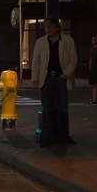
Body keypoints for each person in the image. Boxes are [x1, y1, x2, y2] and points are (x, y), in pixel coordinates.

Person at [31, 17, 77, 146]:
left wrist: (65, 74)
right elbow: (36, 62)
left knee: (62, 108)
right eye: (46, 26)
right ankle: (48, 137)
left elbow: (73, 60)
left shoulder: (67, 41)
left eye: (50, 26)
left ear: (57, 27)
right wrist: (35, 78)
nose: (47, 29)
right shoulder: (41, 42)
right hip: (46, 79)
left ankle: (63, 135)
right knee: (47, 109)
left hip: (60, 78)